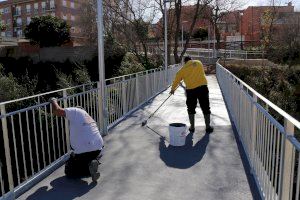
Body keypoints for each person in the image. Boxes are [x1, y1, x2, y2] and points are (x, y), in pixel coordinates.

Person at [49, 97, 104, 182]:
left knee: (69, 171)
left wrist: (53, 101)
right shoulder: (89, 118)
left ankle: (88, 168)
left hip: (83, 151)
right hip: (98, 149)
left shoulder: (75, 111)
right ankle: (92, 164)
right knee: (86, 159)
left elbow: (58, 111)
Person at [170, 56, 213, 133]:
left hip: (191, 91)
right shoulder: (199, 63)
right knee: (205, 107)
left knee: (191, 108)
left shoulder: (182, 70)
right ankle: (208, 127)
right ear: (191, 59)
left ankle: (192, 127)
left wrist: (173, 89)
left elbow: (176, 80)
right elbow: (200, 72)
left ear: (185, 62)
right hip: (202, 88)